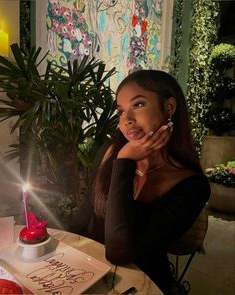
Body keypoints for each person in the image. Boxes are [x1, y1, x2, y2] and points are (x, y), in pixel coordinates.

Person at [89, 70, 210, 294]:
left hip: (144, 285)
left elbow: (120, 252)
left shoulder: (193, 186)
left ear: (169, 107)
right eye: (121, 111)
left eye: (138, 105)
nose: (127, 121)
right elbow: (87, 220)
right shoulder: (108, 152)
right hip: (90, 273)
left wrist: (125, 161)